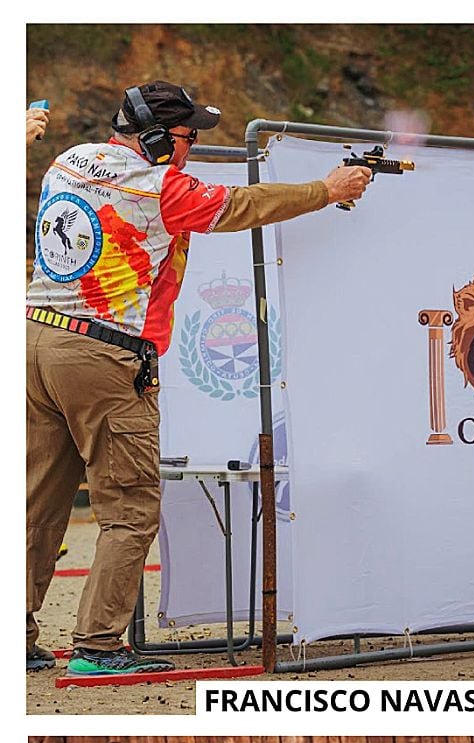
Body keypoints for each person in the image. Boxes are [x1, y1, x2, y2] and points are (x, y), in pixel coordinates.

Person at [27, 82, 373, 676]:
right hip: (101, 355)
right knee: (131, 508)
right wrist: (326, 190)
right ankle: (99, 647)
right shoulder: (159, 185)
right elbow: (244, 206)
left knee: (35, 505)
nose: (190, 148)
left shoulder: (69, 160)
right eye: (187, 137)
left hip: (33, 341)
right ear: (158, 138)